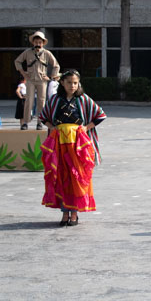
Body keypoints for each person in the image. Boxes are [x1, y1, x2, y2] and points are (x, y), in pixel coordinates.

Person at [39, 70, 107, 227]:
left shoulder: (83, 99)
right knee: (61, 175)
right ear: (62, 82)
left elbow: (100, 115)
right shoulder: (55, 100)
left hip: (78, 144)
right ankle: (64, 213)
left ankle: (74, 214)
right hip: (60, 144)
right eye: (69, 82)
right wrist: (53, 128)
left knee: (76, 176)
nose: (72, 86)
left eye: (75, 83)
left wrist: (85, 128)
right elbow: (43, 117)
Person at [14, 31, 60, 130]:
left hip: (42, 80)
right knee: (28, 101)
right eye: (36, 42)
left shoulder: (47, 53)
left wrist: (51, 77)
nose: (38, 44)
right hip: (30, 79)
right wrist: (23, 73)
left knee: (41, 101)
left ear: (43, 43)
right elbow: (17, 61)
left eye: (40, 42)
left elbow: (56, 65)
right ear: (33, 43)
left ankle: (40, 122)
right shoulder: (27, 52)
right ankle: (25, 122)